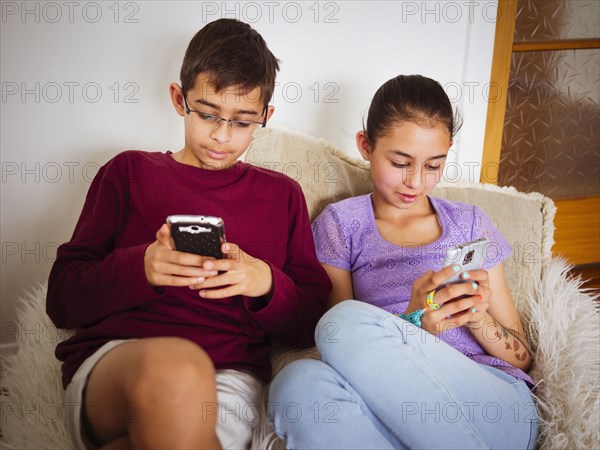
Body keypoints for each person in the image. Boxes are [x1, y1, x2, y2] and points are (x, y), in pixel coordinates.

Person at [46, 18, 331, 450]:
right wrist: (141, 266)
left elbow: (311, 322)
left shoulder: (283, 196)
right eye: (207, 114)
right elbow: (61, 299)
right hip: (121, 365)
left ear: (265, 117)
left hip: (229, 382)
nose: (220, 135)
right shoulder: (128, 172)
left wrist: (266, 283)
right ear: (179, 99)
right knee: (178, 369)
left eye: (241, 122)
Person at [269, 74, 539, 449]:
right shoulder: (342, 223)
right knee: (295, 384)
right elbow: (334, 340)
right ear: (366, 145)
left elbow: (523, 358)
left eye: (433, 166)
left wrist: (478, 317)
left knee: (344, 322)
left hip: (491, 403)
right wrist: (414, 322)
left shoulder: (471, 222)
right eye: (401, 162)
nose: (415, 181)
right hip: (391, 408)